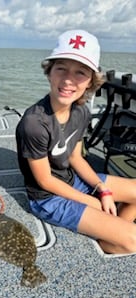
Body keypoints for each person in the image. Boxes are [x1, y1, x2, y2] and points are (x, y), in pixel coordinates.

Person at [16, 29, 136, 254]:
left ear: (91, 81)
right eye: (61, 68)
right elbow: (45, 181)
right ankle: (111, 240)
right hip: (48, 198)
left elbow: (75, 157)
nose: (69, 80)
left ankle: (115, 229)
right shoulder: (34, 123)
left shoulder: (80, 111)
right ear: (49, 72)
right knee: (133, 241)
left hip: (74, 181)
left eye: (81, 72)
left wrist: (102, 189)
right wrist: (91, 202)